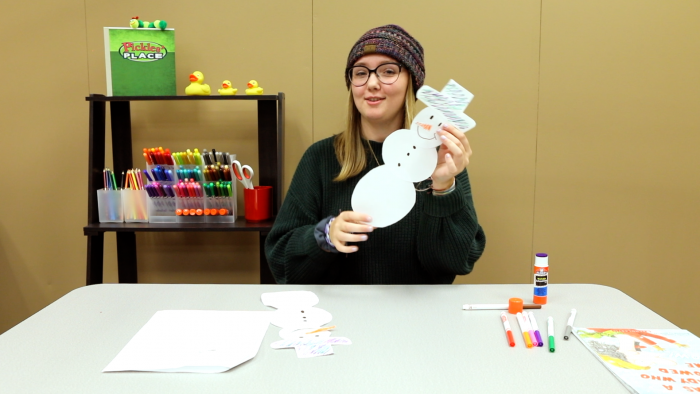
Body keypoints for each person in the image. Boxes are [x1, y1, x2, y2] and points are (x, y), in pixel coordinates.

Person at [264, 24, 486, 284]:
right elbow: (280, 261)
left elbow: (457, 261)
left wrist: (443, 187)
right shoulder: (321, 158)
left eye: (388, 71)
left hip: (420, 318)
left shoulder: (440, 158)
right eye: (360, 73)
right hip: (339, 318)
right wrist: (325, 235)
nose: (371, 83)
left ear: (412, 84)